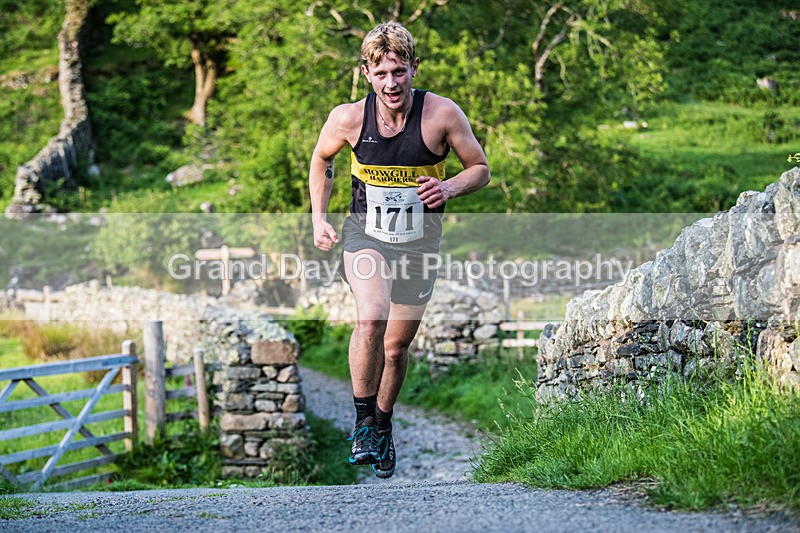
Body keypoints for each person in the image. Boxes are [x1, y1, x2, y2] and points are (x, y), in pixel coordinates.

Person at [309, 21, 489, 479]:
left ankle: (383, 425)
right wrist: (319, 217)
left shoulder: (442, 114)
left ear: (414, 68)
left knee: (395, 348)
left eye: (399, 72)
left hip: (419, 243)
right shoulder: (348, 117)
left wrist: (447, 187)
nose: (391, 83)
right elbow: (321, 158)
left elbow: (480, 169)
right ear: (366, 73)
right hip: (364, 234)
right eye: (381, 73)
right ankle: (362, 421)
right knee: (371, 318)